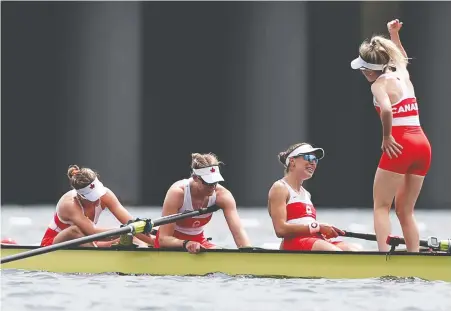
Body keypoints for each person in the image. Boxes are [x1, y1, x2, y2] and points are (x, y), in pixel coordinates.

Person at [350, 19, 431, 252]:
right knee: (405, 210)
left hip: (401, 143)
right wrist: (394, 34)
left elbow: (386, 110)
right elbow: (401, 57)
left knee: (381, 206)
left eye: (363, 69)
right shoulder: (401, 72)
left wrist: (387, 137)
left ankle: (384, 256)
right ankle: (414, 255)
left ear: (368, 69)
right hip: (422, 144)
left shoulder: (378, 85)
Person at [268, 143, 359, 251]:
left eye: (315, 160)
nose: (313, 163)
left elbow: (306, 226)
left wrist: (323, 230)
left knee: (355, 249)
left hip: (313, 239)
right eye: (308, 157)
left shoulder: (306, 194)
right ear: (292, 161)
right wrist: (318, 227)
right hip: (294, 243)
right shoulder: (280, 188)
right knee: (337, 253)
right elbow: (280, 229)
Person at [155, 152, 252, 254]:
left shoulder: (223, 195)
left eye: (215, 182)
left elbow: (239, 233)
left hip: (198, 242)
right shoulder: (178, 193)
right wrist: (186, 243)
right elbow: (163, 239)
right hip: (171, 244)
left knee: (218, 252)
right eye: (208, 183)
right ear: (195, 178)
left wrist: (249, 256)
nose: (213, 187)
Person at [40, 165, 155, 247]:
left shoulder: (106, 194)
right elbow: (93, 232)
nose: (97, 201)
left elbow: (131, 223)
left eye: (97, 195)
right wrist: (126, 230)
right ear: (80, 196)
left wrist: (155, 240)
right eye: (92, 198)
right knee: (74, 230)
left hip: (86, 242)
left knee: (133, 236)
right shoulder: (69, 204)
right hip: (51, 245)